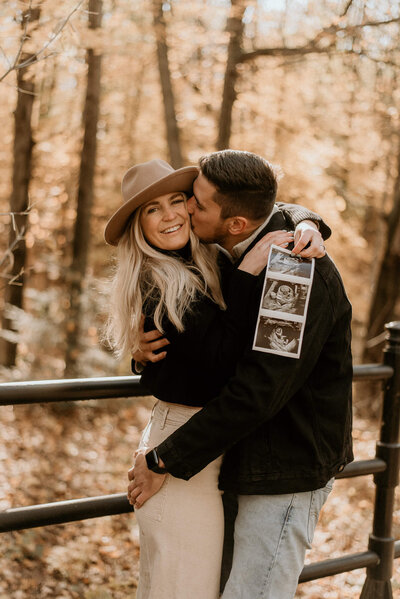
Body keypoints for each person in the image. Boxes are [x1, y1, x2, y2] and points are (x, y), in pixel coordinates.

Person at [128, 150, 353, 599]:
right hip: (239, 460)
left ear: (236, 223)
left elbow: (256, 390)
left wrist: (162, 459)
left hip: (286, 467)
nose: (187, 209)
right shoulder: (229, 250)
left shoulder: (292, 274)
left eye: (195, 202)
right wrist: (144, 354)